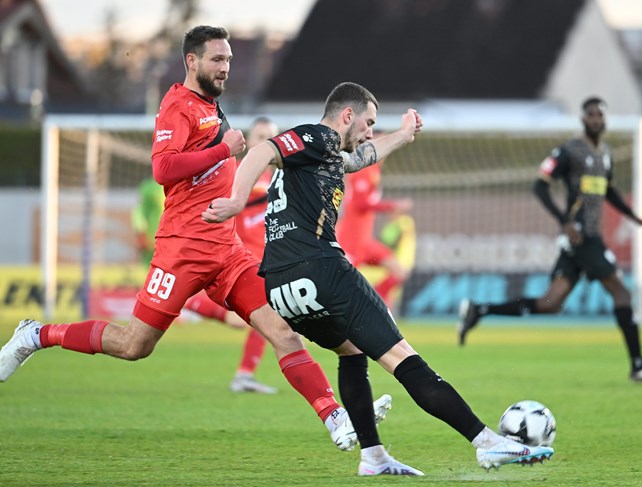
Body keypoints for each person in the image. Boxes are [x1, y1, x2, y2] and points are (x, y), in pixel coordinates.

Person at [0, 26, 391, 455]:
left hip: (227, 250)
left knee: (281, 330)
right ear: (192, 61)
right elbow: (163, 170)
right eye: (217, 60)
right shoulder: (176, 106)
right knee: (134, 345)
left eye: (228, 60)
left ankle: (335, 417)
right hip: (182, 249)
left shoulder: (212, 106)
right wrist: (224, 150)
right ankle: (37, 334)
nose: (225, 68)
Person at [202, 81, 554, 474]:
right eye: (368, 122)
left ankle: (373, 456)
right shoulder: (316, 134)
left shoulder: (322, 154)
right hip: (321, 269)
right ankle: (486, 442)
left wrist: (402, 136)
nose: (371, 131)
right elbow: (263, 151)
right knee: (402, 357)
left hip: (281, 286)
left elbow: (360, 158)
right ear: (346, 115)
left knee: (351, 353)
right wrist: (235, 200)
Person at [457, 96, 642, 385]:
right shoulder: (569, 151)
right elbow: (540, 185)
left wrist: (635, 217)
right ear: (583, 119)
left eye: (601, 115)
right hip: (583, 238)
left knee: (551, 303)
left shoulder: (605, 154)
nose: (597, 120)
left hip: (586, 239)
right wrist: (565, 221)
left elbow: (608, 191)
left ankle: (480, 309)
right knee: (622, 294)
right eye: (591, 115)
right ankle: (638, 366)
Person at [183, 116, 280, 394]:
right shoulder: (240, 174)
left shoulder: (271, 178)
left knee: (268, 320)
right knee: (259, 319)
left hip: (266, 261)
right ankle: (191, 303)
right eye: (261, 136)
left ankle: (244, 374)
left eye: (272, 137)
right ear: (249, 141)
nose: (267, 142)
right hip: (242, 260)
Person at [337, 151, 413, 310]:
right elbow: (360, 203)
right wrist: (392, 206)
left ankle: (376, 302)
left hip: (365, 242)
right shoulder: (363, 170)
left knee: (399, 271)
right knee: (339, 289)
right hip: (350, 243)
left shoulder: (374, 171)